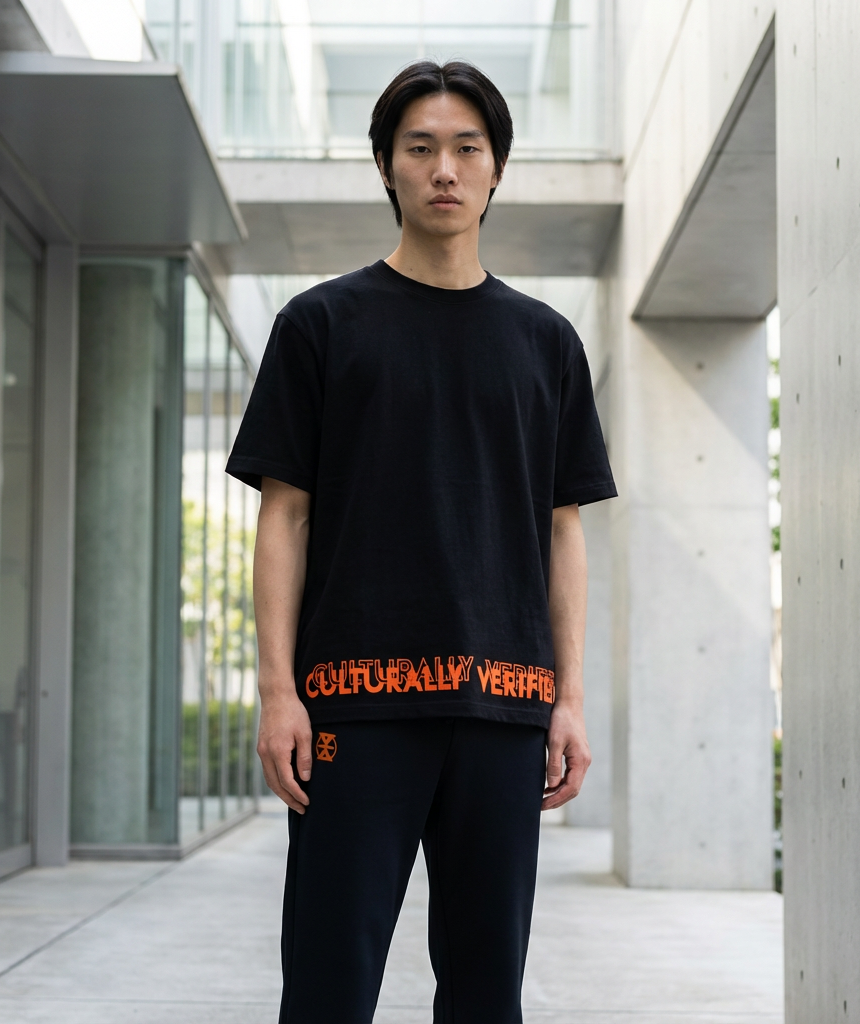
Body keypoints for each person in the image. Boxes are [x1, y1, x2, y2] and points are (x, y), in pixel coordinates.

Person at [226, 59, 616, 1024]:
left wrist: (568, 697)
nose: (444, 168)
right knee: (328, 984)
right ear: (387, 168)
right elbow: (285, 514)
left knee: (488, 993)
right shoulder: (319, 324)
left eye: (466, 149)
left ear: (496, 171)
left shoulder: (546, 342)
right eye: (420, 149)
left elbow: (562, 529)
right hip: (352, 712)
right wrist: (279, 691)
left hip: (503, 710)